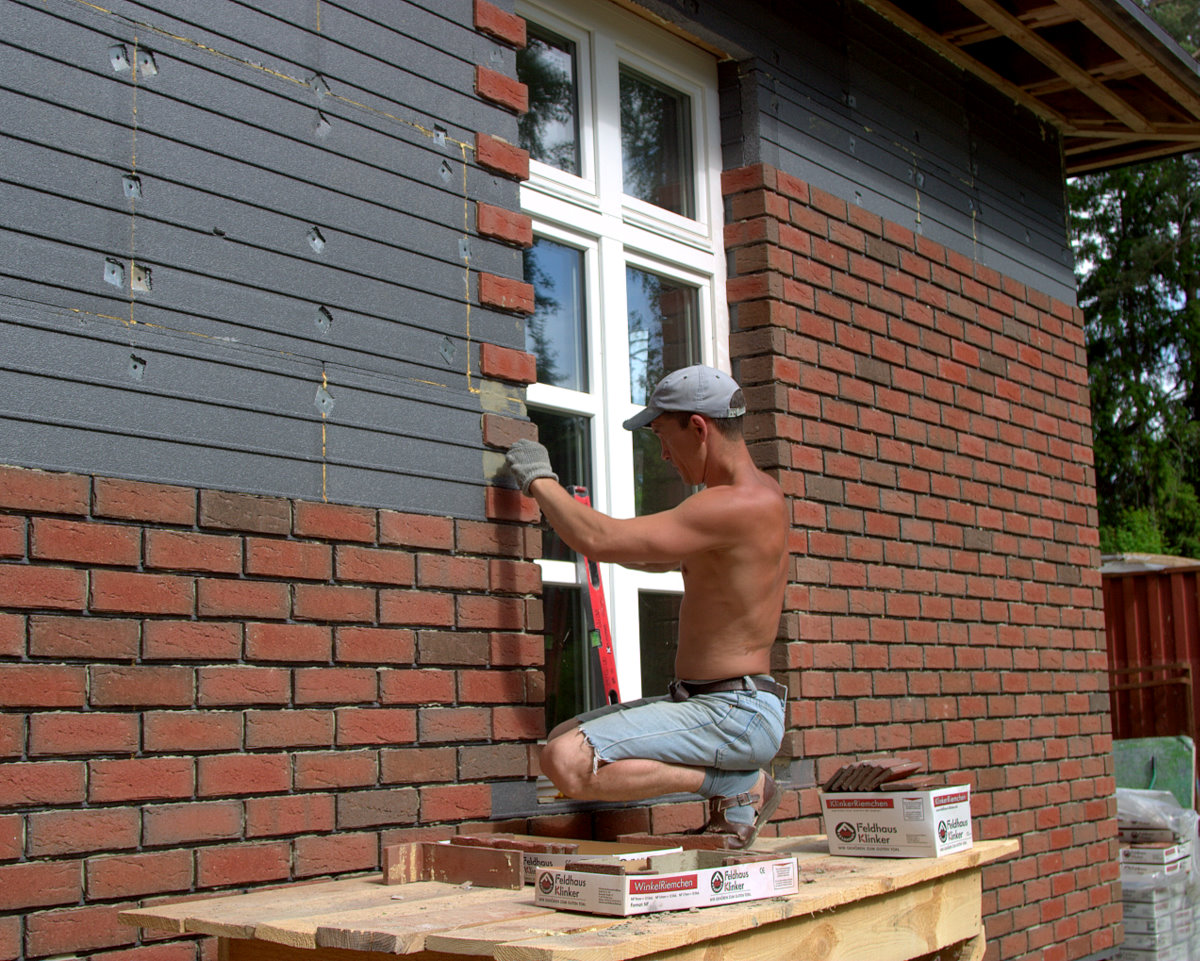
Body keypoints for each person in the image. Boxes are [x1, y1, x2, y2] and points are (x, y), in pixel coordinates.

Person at [504, 364, 789, 847]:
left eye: (663, 436)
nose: (662, 454)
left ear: (698, 427)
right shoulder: (757, 498)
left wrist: (540, 481)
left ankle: (736, 784)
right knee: (567, 733)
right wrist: (578, 527)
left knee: (565, 760)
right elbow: (643, 554)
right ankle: (737, 793)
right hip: (722, 704)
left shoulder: (734, 503)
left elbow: (602, 538)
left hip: (734, 710)